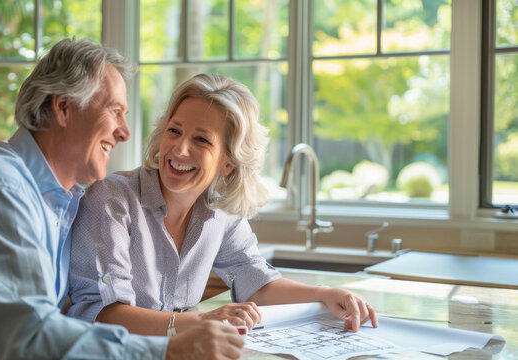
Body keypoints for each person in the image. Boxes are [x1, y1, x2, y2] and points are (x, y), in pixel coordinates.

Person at [0, 40, 243, 360]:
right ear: (63, 108)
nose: (125, 133)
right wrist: (169, 348)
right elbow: (28, 339)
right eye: (115, 111)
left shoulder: (57, 198)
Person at [67, 73, 379, 336]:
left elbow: (256, 283)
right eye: (174, 131)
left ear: (227, 162)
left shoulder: (220, 213)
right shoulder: (111, 200)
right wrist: (198, 322)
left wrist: (326, 295)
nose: (179, 149)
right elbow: (101, 314)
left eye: (201, 140)